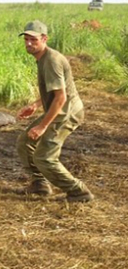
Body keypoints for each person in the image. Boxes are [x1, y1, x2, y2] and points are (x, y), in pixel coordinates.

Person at [15, 20, 93, 202]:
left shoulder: (51, 61)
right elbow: (54, 92)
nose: (28, 43)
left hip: (67, 112)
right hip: (60, 108)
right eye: (26, 39)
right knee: (25, 141)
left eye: (33, 40)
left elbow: (61, 98)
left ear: (44, 39)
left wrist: (42, 126)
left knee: (44, 157)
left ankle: (79, 192)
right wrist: (35, 105)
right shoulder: (43, 58)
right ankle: (40, 184)